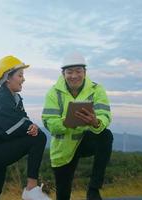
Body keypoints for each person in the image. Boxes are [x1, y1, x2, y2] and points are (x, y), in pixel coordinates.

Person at [0, 55, 51, 200]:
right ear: (8, 78)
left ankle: (31, 190)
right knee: (39, 137)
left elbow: (23, 118)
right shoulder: (3, 98)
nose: (23, 79)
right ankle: (31, 188)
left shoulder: (13, 98)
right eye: (20, 75)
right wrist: (32, 127)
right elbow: (18, 125)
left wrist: (30, 125)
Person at [42, 52, 113, 200]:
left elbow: (105, 115)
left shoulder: (96, 89)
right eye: (69, 72)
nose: (74, 76)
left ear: (85, 72)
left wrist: (96, 122)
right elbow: (48, 122)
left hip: (86, 140)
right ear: (63, 74)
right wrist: (68, 121)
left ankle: (93, 189)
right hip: (64, 147)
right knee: (63, 194)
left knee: (106, 136)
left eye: (78, 71)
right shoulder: (53, 93)